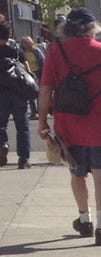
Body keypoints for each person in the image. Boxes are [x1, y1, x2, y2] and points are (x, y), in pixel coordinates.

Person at [37, 8, 101, 245]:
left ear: (67, 29)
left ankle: (85, 220)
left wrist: (42, 122)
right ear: (93, 29)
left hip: (68, 123)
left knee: (77, 173)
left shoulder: (55, 52)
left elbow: (45, 90)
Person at [0, 23, 31, 169]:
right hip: (18, 94)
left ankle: (3, 144)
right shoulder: (17, 52)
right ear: (9, 34)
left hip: (1, 94)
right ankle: (23, 159)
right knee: (22, 126)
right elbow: (27, 71)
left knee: (0, 125)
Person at [21, 36, 45, 119]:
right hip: (27, 74)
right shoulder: (22, 52)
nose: (26, 44)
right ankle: (34, 112)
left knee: (37, 93)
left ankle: (40, 111)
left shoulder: (36, 51)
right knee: (30, 93)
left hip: (37, 73)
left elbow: (43, 61)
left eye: (27, 42)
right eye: (24, 43)